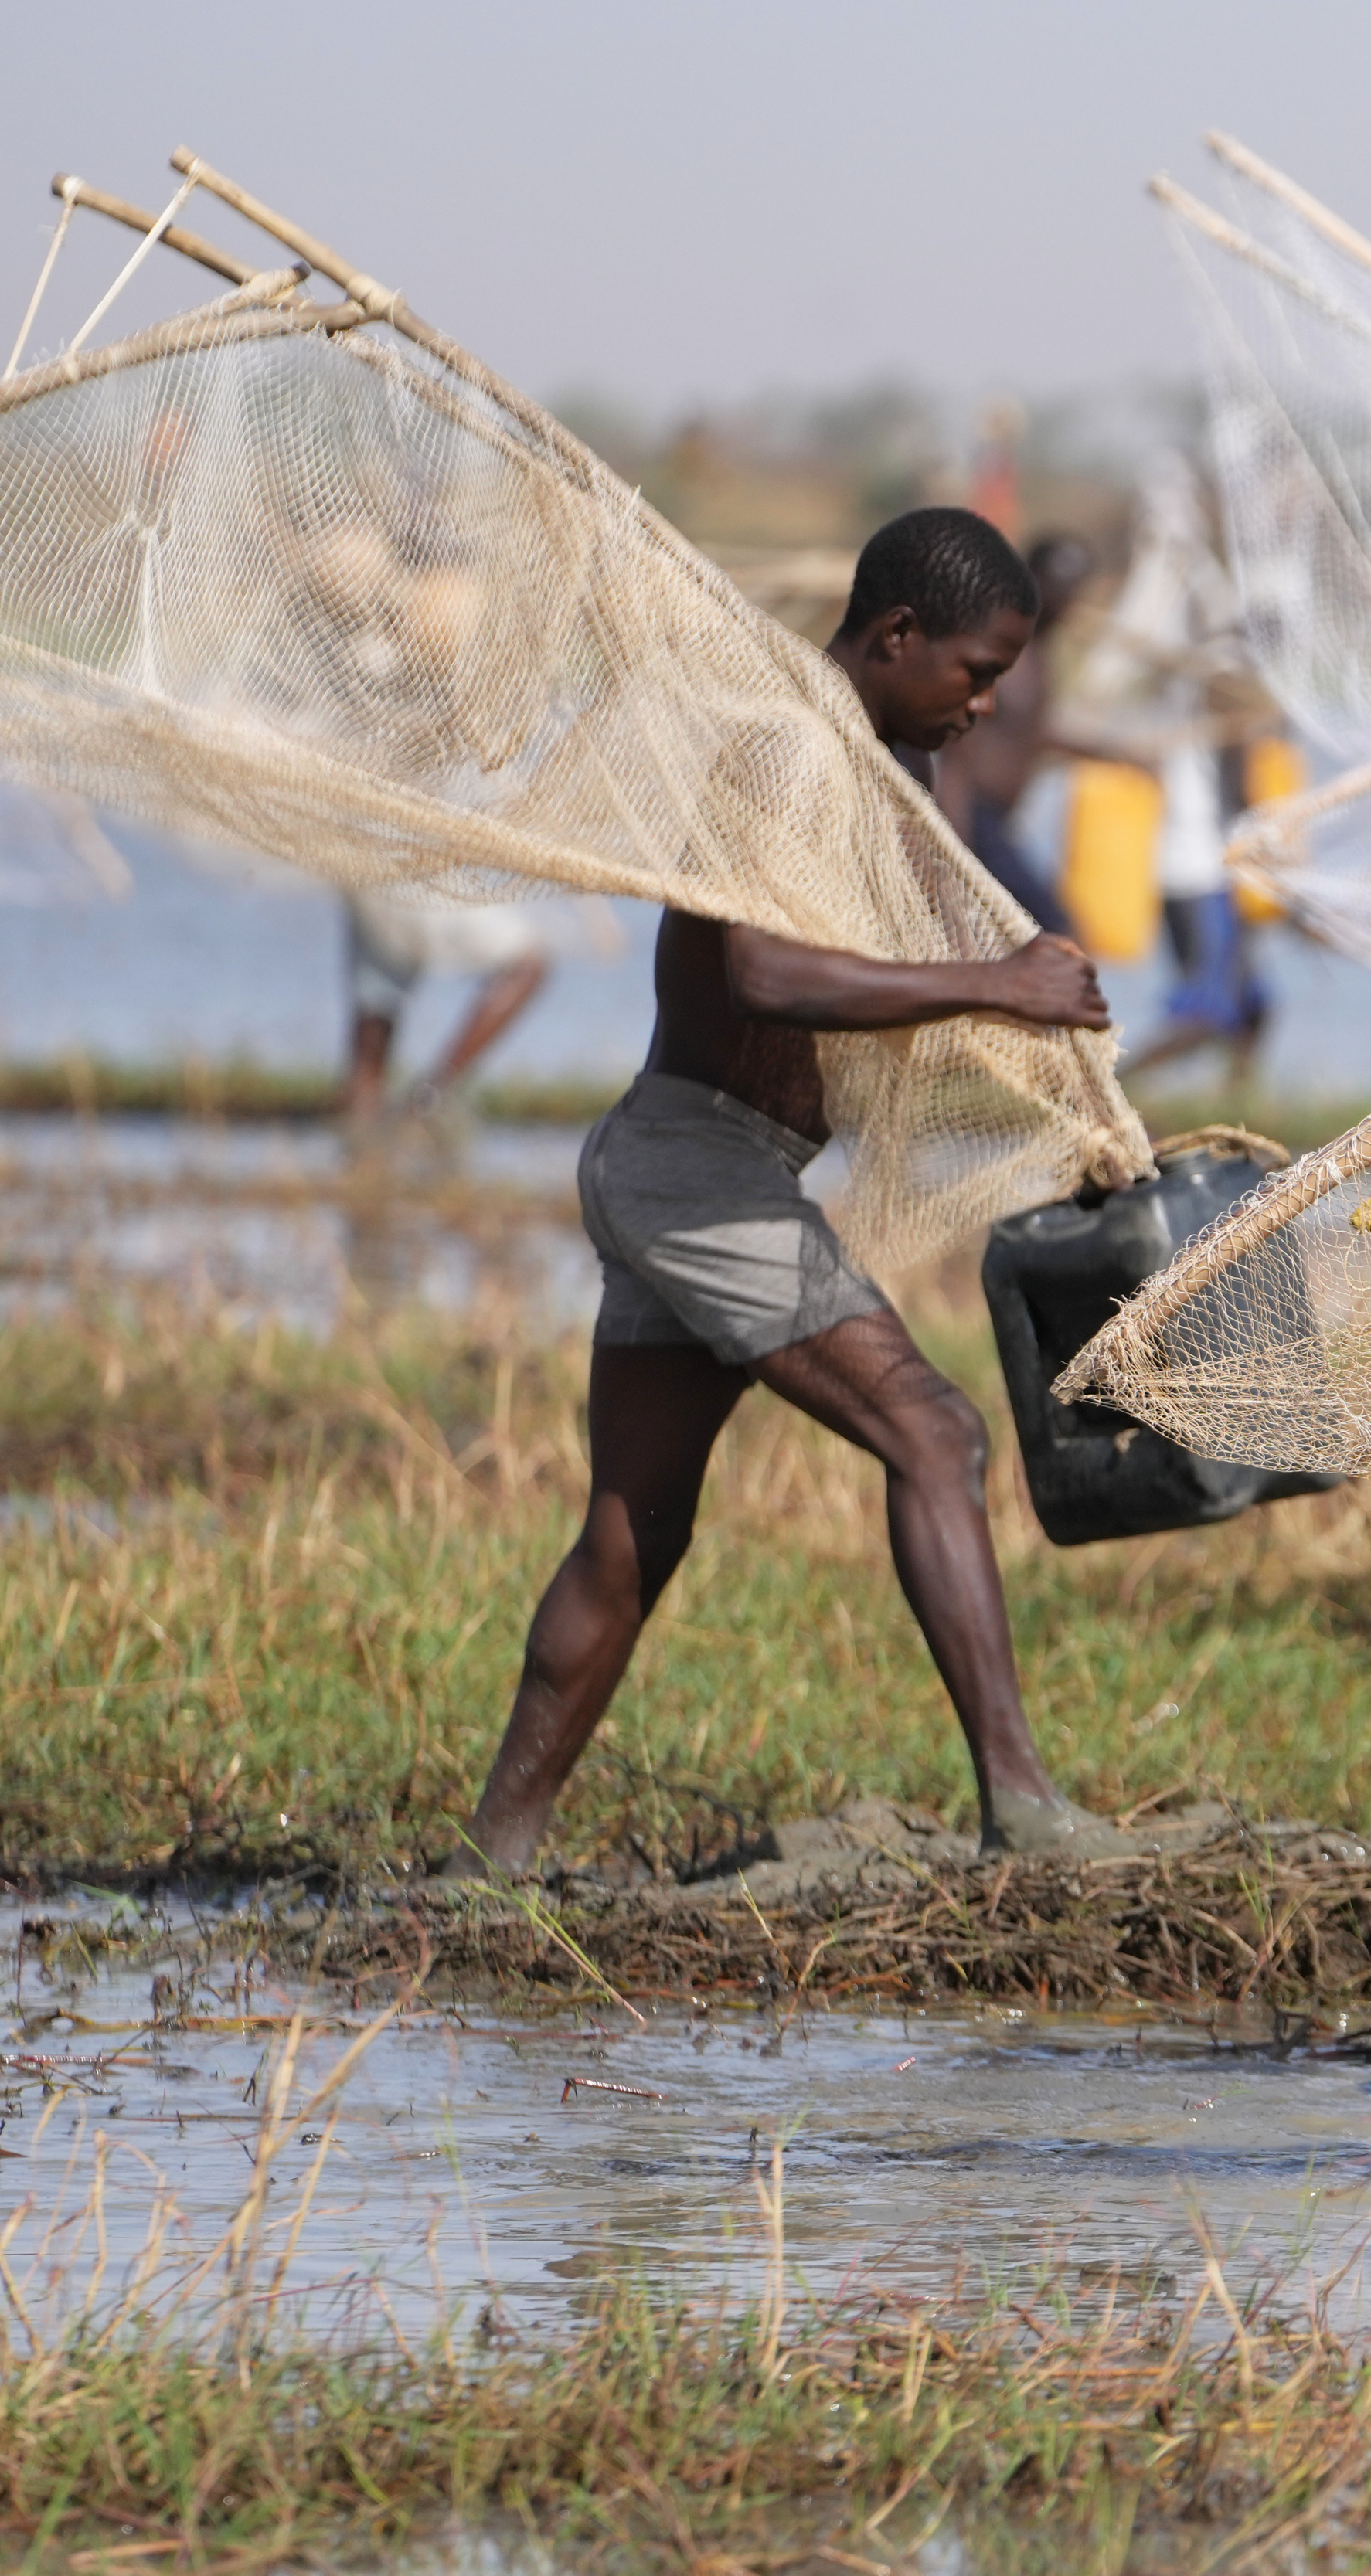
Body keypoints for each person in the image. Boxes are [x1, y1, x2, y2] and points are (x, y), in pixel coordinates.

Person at [455, 507, 1129, 1876]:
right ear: (897, 636)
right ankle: (1021, 1805)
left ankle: (493, 1858)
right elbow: (761, 971)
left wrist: (1055, 1066)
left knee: (634, 1534)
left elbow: (917, 961)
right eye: (974, 673)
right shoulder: (787, 751)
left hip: (699, 1164)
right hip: (696, 1171)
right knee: (936, 1433)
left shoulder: (879, 769)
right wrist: (999, 983)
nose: (987, 705)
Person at [929, 532, 1095, 939]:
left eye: (1074, 591)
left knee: (1023, 940)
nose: (1068, 602)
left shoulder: (1039, 652)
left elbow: (1029, 734)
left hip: (1001, 822)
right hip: (972, 819)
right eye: (1060, 589)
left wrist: (1113, 753)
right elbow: (956, 755)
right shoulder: (993, 650)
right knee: (1059, 933)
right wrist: (954, 852)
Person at [342, 890, 552, 1137]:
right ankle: (427, 1101)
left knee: (376, 1012)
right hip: (418, 885)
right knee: (528, 965)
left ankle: (362, 1138)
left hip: (368, 886)